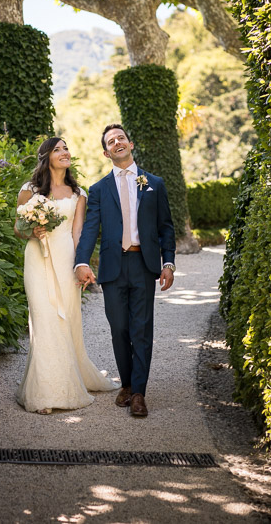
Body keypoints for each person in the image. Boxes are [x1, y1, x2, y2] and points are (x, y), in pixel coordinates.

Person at [74, 124, 176, 417]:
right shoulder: (98, 189)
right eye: (111, 141)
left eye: (121, 138)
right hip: (113, 268)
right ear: (106, 153)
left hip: (144, 266)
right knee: (119, 328)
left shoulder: (154, 183)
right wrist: (82, 262)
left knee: (141, 329)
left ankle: (139, 393)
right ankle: (128, 383)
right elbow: (90, 229)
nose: (117, 142)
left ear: (130, 144)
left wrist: (167, 262)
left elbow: (165, 227)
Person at [15, 137, 117, 415]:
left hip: (66, 259)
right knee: (44, 319)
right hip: (37, 259)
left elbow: (79, 233)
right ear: (46, 156)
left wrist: (81, 265)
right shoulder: (30, 189)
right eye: (58, 149)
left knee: (67, 319)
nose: (64, 152)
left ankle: (67, 380)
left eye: (66, 148)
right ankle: (44, 393)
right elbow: (18, 228)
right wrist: (32, 230)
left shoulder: (78, 193)